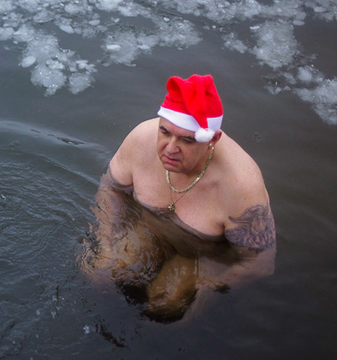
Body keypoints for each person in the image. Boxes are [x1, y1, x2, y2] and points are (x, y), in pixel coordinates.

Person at [80, 74, 276, 323]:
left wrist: (203, 282)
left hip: (203, 255)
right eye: (165, 132)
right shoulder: (142, 139)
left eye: (187, 140)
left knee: (166, 306)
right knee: (100, 272)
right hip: (148, 227)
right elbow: (111, 189)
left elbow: (259, 264)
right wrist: (106, 240)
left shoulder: (240, 186)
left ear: (212, 140)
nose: (170, 148)